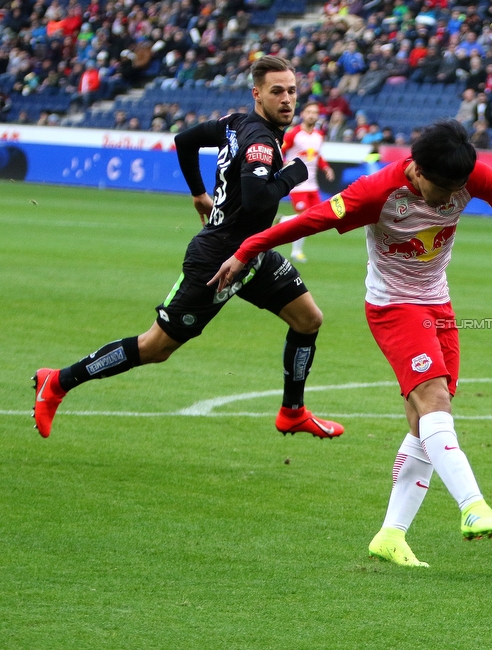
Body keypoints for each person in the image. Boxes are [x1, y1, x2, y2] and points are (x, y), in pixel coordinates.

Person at [210, 120, 492, 567]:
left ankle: (391, 535)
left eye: (458, 190)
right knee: (433, 402)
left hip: (439, 306)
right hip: (393, 307)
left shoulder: (470, 176)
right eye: (443, 189)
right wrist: (245, 251)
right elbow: (307, 222)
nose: (452, 199)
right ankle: (472, 505)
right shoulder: (375, 193)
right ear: (416, 171)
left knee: (428, 422)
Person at [32, 56, 344, 442]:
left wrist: (199, 193)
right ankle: (58, 381)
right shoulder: (261, 141)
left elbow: (185, 141)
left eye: (292, 91)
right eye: (276, 91)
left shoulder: (235, 123)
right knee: (156, 346)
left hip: (251, 253)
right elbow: (258, 198)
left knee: (308, 319)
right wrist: (294, 174)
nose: (286, 99)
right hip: (218, 260)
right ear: (257, 94)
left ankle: (292, 412)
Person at [281, 102, 336, 263]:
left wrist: (326, 168)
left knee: (315, 220)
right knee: (304, 217)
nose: (312, 115)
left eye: (315, 112)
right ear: (303, 114)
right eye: (309, 112)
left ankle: (284, 220)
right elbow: (280, 150)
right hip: (297, 183)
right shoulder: (294, 134)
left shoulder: (319, 135)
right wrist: (283, 163)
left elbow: (316, 156)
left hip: (312, 184)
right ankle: (296, 252)